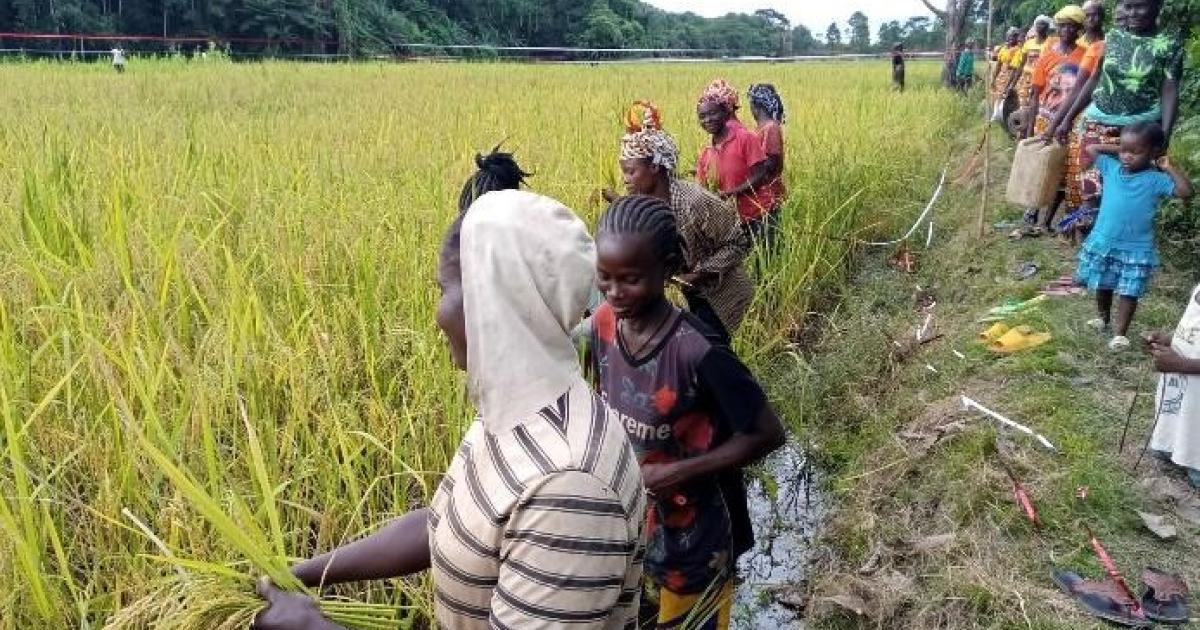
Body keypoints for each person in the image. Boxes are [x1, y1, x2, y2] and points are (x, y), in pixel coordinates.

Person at [253, 158, 648, 630]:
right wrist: (305, 574)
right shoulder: (514, 407)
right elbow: (445, 520)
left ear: (489, 301)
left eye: (445, 289)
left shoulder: (569, 488)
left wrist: (313, 627)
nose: (437, 312)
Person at [581, 195, 785, 629]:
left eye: (630, 280)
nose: (615, 293)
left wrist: (675, 473)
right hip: (635, 521)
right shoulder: (602, 324)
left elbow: (767, 432)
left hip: (699, 533)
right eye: (605, 277)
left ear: (668, 266)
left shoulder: (698, 350)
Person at [609, 100, 754, 341]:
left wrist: (701, 272)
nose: (625, 179)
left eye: (631, 171)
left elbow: (738, 244)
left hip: (721, 295)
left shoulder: (695, 202)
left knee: (712, 355)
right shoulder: (640, 205)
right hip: (687, 295)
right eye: (624, 171)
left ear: (655, 167)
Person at [1050, 0, 1184, 219]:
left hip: (1140, 132)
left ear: (1157, 5)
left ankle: (1122, 245)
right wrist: (1067, 119)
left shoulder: (1169, 45)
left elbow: (1169, 89)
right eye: (1128, 7)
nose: (1133, 13)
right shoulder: (1113, 38)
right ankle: (1093, 245)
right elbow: (1094, 81)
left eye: (1140, 6)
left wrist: (1165, 135)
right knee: (1092, 193)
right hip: (1096, 125)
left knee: (1129, 196)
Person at [1075, 122, 1193, 350]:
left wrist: (1167, 166)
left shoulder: (1155, 179)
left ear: (1154, 153)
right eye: (1124, 150)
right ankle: (1103, 318)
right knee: (1103, 283)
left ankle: (1120, 334)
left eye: (1135, 152)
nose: (1127, 156)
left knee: (1130, 291)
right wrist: (1121, 148)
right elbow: (1092, 150)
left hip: (1136, 247)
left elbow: (1186, 191)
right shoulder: (1110, 167)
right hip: (1105, 241)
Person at [1042, 0, 1109, 240]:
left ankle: (1092, 225)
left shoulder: (1108, 44)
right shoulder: (1080, 49)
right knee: (1075, 170)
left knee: (1098, 173)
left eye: (1096, 15)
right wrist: (1063, 120)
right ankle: (1075, 222)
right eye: (1087, 15)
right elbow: (1076, 87)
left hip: (1105, 115)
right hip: (1078, 113)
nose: (1092, 20)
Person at [1021, 6, 1086, 231]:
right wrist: (1029, 127)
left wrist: (1068, 119)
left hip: (1072, 120)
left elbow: (1086, 91)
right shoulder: (1047, 56)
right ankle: (1033, 210)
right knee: (1041, 166)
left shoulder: (1085, 55)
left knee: (1064, 169)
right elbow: (1035, 94)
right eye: (1063, 25)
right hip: (1045, 119)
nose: (1067, 29)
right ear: (1057, 27)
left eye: (1072, 25)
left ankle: (1048, 220)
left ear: (1079, 29)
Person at [695, 79, 774, 247]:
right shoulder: (705, 153)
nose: (708, 120)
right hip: (730, 222)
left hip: (758, 216)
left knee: (763, 267)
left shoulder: (745, 138)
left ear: (726, 113)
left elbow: (760, 174)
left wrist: (730, 193)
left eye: (713, 114)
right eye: (702, 116)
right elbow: (702, 189)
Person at [1145, 284, 1200, 489]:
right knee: (1181, 417)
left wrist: (1181, 365)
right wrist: (1167, 341)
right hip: (1185, 388)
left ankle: (1193, 462)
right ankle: (1172, 447)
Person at [746, 83, 787, 251]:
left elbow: (771, 163)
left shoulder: (771, 128)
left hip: (768, 198)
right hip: (757, 200)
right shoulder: (761, 129)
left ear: (756, 106)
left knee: (768, 247)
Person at [1004, 16, 1053, 110]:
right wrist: (1012, 84)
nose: (1041, 26)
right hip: (1027, 80)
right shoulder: (1028, 44)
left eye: (1044, 24)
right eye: (1039, 24)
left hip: (1043, 81)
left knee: (1038, 107)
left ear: (1047, 27)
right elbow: (1021, 65)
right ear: (1035, 26)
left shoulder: (1051, 43)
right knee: (1023, 106)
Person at [991, 28, 1024, 115]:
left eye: (1013, 36)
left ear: (1017, 38)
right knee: (998, 97)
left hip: (1013, 78)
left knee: (1011, 99)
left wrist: (1009, 85)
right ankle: (998, 117)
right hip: (1001, 77)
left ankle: (1011, 118)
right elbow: (998, 65)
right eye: (1009, 36)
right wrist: (993, 78)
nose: (1011, 38)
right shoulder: (1003, 49)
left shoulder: (1018, 50)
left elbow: (1014, 70)